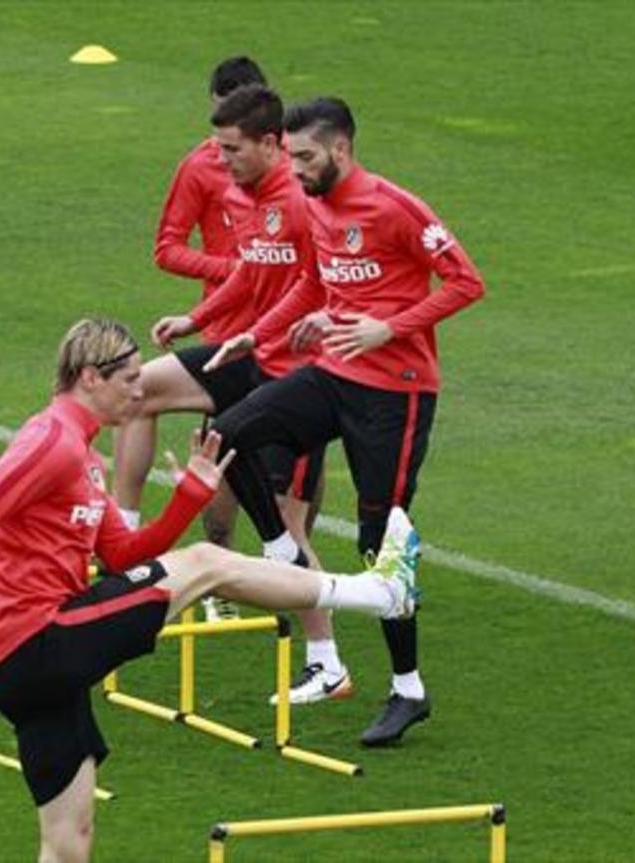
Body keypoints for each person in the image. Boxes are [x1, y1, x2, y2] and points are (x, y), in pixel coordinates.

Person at [0, 318, 421, 863]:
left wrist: (190, 497)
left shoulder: (83, 457)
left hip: (32, 671)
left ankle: (380, 591)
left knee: (68, 841)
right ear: (88, 378)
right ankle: (379, 592)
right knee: (206, 562)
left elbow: (124, 555)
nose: (140, 388)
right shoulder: (50, 439)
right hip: (37, 642)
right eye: (127, 377)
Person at [206, 97, 485, 743]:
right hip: (334, 373)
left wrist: (390, 326)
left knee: (379, 541)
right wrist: (260, 332)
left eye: (305, 157)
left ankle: (407, 688)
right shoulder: (311, 204)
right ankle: (280, 544)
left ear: (341, 149)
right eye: (291, 156)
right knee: (231, 429)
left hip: (397, 390)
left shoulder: (394, 206)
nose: (294, 169)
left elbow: (465, 282)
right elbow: (314, 281)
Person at [116, 84, 338, 695]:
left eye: (231, 149)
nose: (220, 162)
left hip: (295, 377)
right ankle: (124, 538)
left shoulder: (299, 203)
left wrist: (269, 331)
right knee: (136, 392)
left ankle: (327, 659)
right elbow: (250, 270)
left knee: (287, 531)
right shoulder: (245, 196)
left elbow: (316, 285)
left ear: (271, 144)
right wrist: (197, 319)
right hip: (244, 351)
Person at [117, 55, 266, 583]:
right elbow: (167, 248)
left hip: (283, 341)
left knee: (295, 478)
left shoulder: (293, 178)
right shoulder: (200, 167)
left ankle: (293, 587)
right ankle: (130, 539)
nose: (226, 150)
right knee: (217, 464)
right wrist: (231, 271)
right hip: (224, 333)